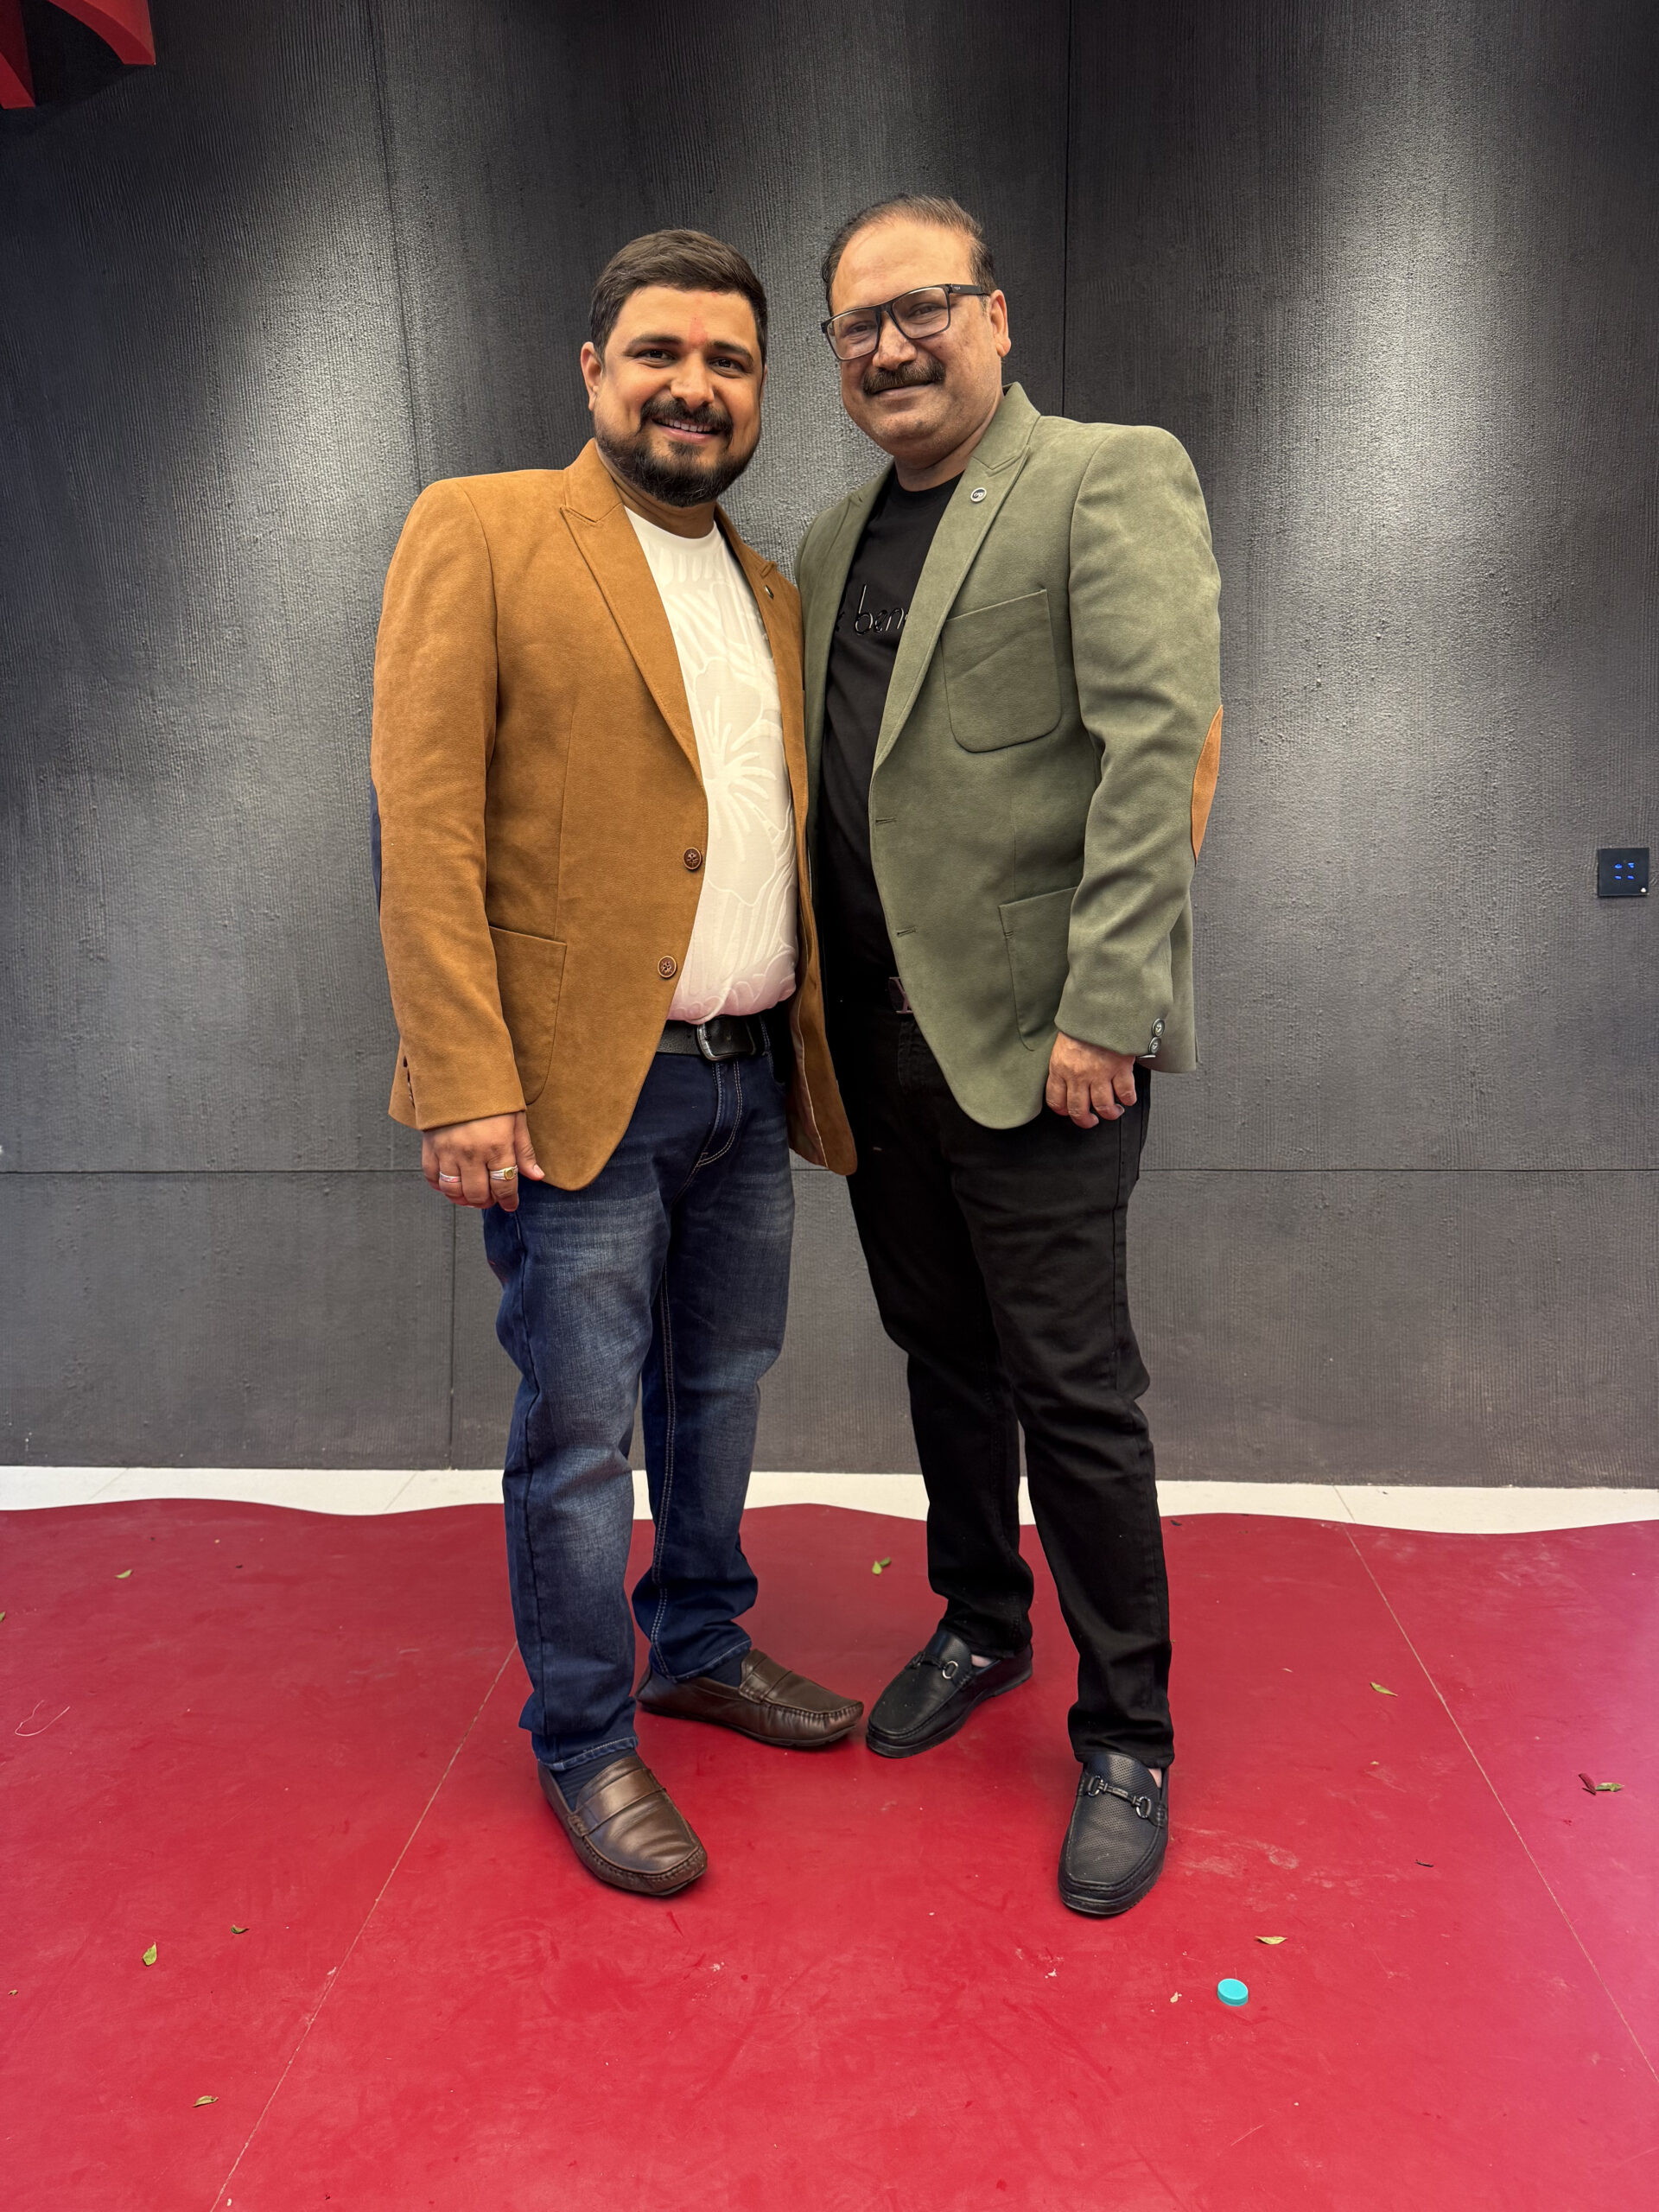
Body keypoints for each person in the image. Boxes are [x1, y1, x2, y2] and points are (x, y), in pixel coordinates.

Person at [372, 230, 861, 1900]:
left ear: (760, 393)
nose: (693, 387)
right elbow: (425, 823)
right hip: (579, 1084)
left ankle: (700, 1646)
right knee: (581, 1428)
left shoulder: (770, 589)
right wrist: (460, 1074)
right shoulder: (482, 529)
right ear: (594, 369)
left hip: (746, 1075)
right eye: (660, 352)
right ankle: (584, 1734)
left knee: (719, 1391)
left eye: (729, 362)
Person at [798, 194, 1222, 1916]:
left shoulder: (1106, 477)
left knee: (1074, 1392)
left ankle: (1128, 1732)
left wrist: (1108, 1008)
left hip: (1047, 1051)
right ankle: (981, 1620)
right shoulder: (829, 539)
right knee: (941, 1359)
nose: (891, 348)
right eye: (859, 327)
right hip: (875, 1051)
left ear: (996, 315)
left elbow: (1154, 753)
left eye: (924, 308)